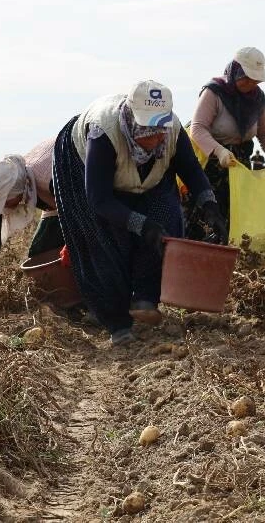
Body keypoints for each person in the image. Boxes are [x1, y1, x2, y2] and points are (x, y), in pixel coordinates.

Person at [52, 80, 227, 345]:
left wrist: (210, 206)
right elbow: (99, 200)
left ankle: (145, 297)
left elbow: (191, 169)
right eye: (147, 128)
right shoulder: (103, 134)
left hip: (149, 178)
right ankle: (116, 322)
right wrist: (140, 224)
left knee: (165, 220)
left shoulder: (172, 132)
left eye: (160, 128)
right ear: (133, 120)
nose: (156, 135)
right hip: (85, 171)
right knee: (103, 242)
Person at [188, 47, 265, 238]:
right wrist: (219, 152)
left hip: (240, 164)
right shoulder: (214, 92)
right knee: (208, 213)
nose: (250, 83)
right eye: (246, 77)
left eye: (255, 79)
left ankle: (229, 258)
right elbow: (197, 128)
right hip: (211, 163)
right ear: (235, 71)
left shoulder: (257, 98)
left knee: (236, 214)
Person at [0, 139, 62, 275]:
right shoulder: (10, 180)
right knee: (39, 252)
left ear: (17, 193)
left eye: (6, 203)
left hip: (81, 193)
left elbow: (85, 207)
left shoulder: (48, 180)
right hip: (55, 203)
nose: (4, 208)